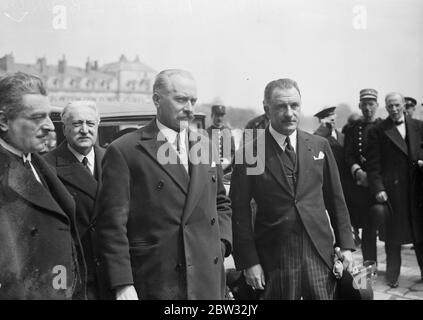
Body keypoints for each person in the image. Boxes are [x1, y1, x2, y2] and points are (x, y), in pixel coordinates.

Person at [96, 69, 232, 300]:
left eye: (193, 100)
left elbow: (221, 202)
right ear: (157, 99)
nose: (189, 108)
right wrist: (122, 282)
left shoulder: (206, 146)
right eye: (180, 99)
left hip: (206, 276)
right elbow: (112, 224)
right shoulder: (125, 150)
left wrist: (221, 244)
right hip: (156, 278)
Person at [230, 78, 354, 300]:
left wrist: (345, 246)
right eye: (281, 106)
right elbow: (238, 212)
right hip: (275, 259)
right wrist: (249, 262)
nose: (289, 113)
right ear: (266, 109)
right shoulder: (250, 153)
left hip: (319, 254)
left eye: (294, 105)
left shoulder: (319, 146)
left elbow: (336, 200)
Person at [0, 72, 85, 299]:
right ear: (3, 121)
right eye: (36, 118)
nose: (49, 126)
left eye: (48, 116)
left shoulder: (36, 161)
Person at [44, 101, 109, 299]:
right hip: (75, 273)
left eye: (90, 124)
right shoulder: (47, 166)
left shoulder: (113, 160)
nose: (84, 130)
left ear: (98, 126)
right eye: (77, 124)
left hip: (112, 270)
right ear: (64, 128)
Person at [366, 92, 423, 288]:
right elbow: (373, 167)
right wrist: (378, 188)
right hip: (393, 192)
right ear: (386, 107)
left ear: (404, 105)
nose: (394, 109)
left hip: (416, 190)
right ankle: (393, 275)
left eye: (397, 105)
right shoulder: (379, 131)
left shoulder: (418, 126)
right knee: (393, 236)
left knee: (420, 233)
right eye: (390, 106)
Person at [344, 89, 382, 262]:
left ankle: (390, 270)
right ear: (359, 106)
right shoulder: (354, 129)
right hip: (359, 186)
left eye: (371, 104)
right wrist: (357, 171)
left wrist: (372, 177)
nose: (368, 108)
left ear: (377, 105)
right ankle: (367, 266)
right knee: (362, 227)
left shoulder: (384, 127)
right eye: (364, 104)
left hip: (378, 185)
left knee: (376, 229)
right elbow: (349, 154)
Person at [206, 105, 235, 174]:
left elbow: (232, 152)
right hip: (210, 171)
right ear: (212, 116)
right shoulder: (206, 132)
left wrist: (224, 165)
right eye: (217, 115)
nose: (219, 118)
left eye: (221, 116)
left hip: (225, 172)